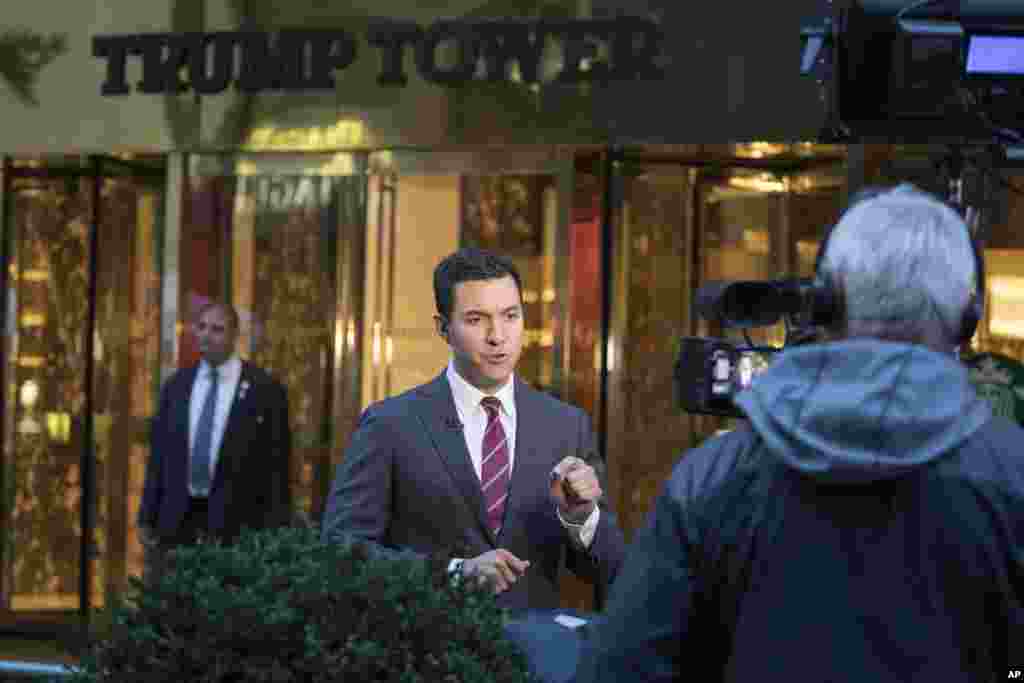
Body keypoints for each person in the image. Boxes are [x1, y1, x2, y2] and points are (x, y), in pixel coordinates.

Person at [573, 185, 1024, 682]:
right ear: (968, 313)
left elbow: (622, 668)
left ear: (829, 302)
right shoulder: (1012, 473)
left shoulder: (715, 477)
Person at [321, 247, 625, 610]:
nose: (498, 336)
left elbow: (612, 569)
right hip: (429, 648)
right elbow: (341, 551)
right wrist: (454, 573)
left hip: (534, 655)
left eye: (510, 316)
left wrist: (581, 518)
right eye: (476, 319)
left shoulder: (566, 426)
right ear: (443, 329)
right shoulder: (390, 424)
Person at [138, 301, 292, 581]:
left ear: (234, 336)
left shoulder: (263, 390)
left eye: (217, 329)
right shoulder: (177, 387)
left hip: (237, 524)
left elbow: (277, 467)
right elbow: (158, 459)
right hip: (179, 520)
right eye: (202, 327)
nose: (207, 335)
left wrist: (276, 530)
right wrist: (147, 516)